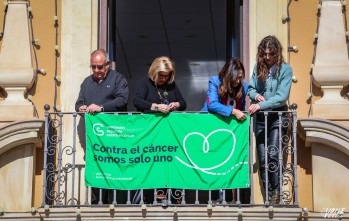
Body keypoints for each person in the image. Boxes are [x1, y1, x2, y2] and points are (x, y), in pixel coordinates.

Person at [75, 49, 129, 204]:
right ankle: (97, 203)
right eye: (93, 67)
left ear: (107, 64)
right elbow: (78, 103)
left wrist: (101, 107)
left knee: (115, 169)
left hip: (115, 136)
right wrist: (81, 109)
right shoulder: (87, 82)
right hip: (95, 138)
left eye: (100, 67)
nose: (96, 70)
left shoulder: (118, 79)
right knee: (97, 168)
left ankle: (117, 203)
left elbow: (122, 100)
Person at [133, 56, 186, 204]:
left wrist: (175, 104)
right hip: (150, 132)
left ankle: (169, 197)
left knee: (169, 163)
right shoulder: (145, 84)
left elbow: (183, 103)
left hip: (168, 134)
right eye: (161, 76)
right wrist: (155, 106)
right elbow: (137, 101)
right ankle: (149, 198)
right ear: (155, 72)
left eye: (167, 76)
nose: (164, 79)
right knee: (151, 164)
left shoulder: (172, 85)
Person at [247, 35, 293, 205]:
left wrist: (261, 105)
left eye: (270, 54)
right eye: (264, 54)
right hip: (260, 119)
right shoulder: (258, 67)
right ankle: (269, 195)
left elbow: (281, 97)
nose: (267, 57)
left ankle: (277, 192)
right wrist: (255, 95)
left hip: (277, 117)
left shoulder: (286, 70)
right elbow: (250, 89)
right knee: (263, 158)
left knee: (273, 154)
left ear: (277, 53)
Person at [201, 58, 248, 203]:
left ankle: (228, 198)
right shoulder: (215, 81)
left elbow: (243, 109)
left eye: (241, 77)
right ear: (229, 75)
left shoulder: (244, 87)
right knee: (213, 161)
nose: (238, 81)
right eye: (236, 77)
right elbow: (212, 105)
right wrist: (233, 111)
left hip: (230, 130)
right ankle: (214, 197)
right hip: (211, 128)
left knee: (229, 161)